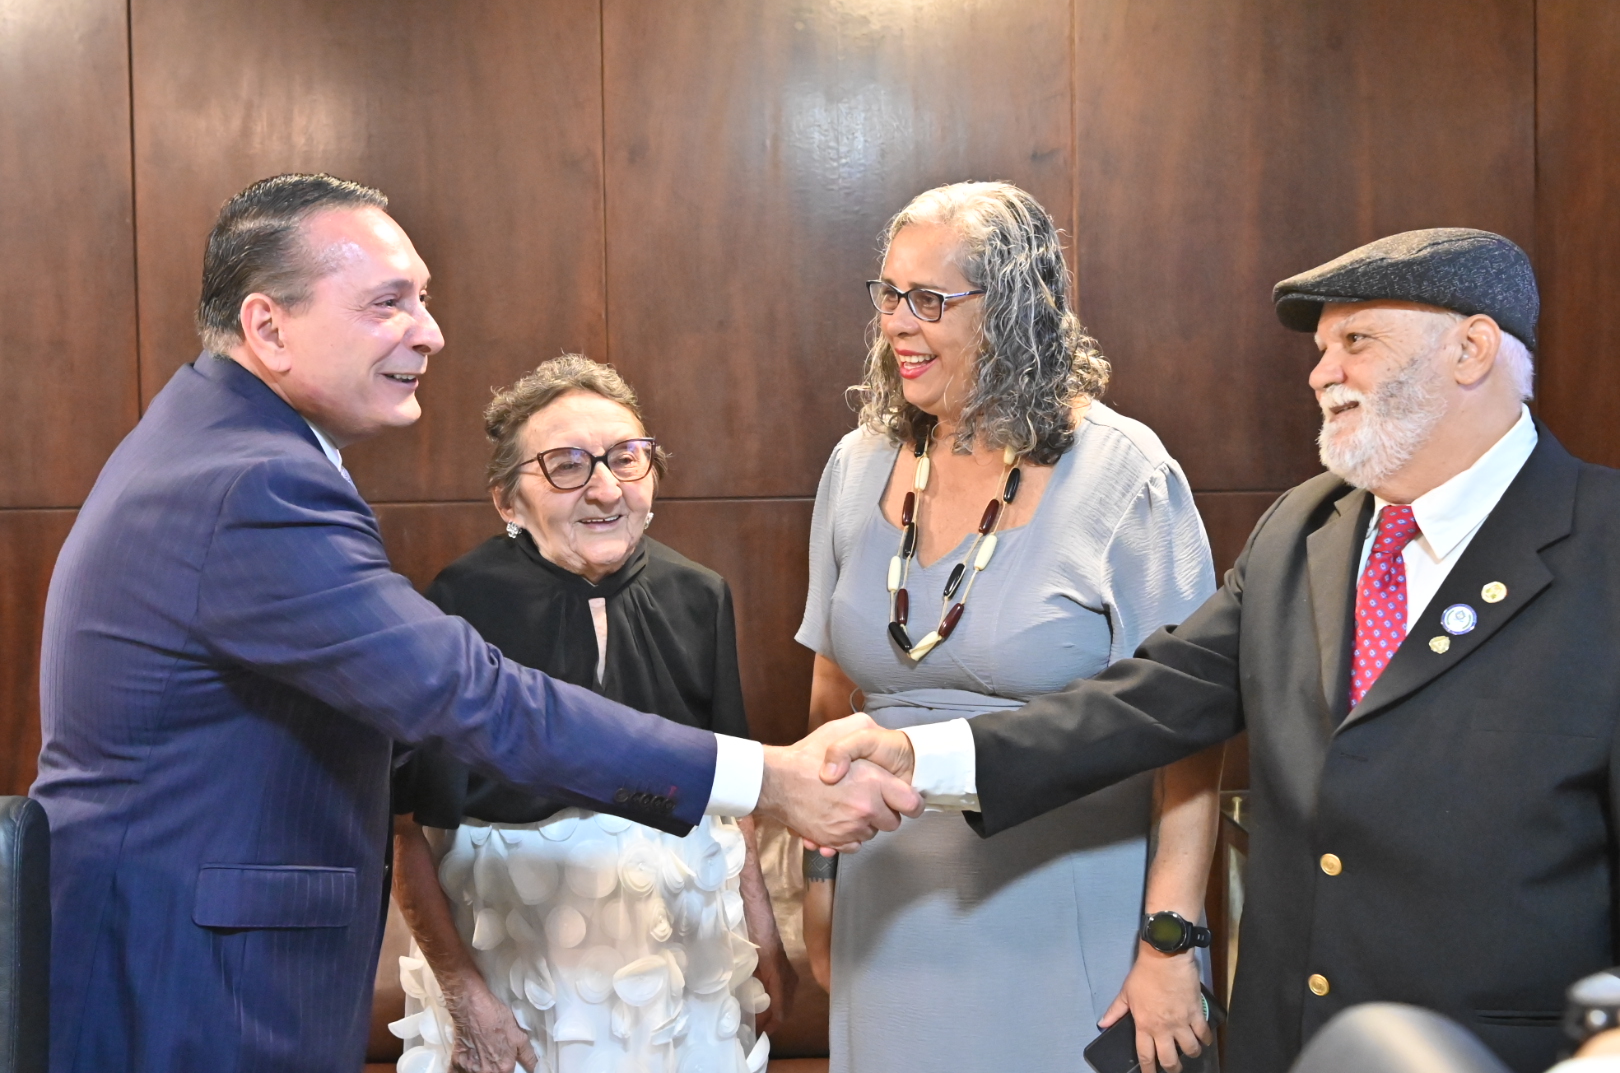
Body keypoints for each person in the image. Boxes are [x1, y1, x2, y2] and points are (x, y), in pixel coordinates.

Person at [29, 173, 911, 1073]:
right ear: (269, 327)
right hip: (184, 977)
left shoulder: (211, 443)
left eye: (423, 298)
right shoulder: (255, 481)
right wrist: (766, 777)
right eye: (388, 302)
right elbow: (473, 699)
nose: (430, 332)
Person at [824, 228, 1619, 1073]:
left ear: (1472, 350)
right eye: (1320, 350)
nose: (1322, 374)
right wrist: (920, 757)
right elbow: (1149, 703)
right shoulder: (1304, 528)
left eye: (1356, 342)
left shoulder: (1602, 550)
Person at [796, 181, 1225, 1073]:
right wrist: (820, 884)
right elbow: (831, 699)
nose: (896, 324)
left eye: (929, 300)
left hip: (1067, 916)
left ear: (1014, 309)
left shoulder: (1127, 474)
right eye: (888, 294)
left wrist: (1171, 939)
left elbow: (1192, 737)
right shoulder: (857, 464)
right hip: (890, 913)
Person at [390, 355, 796, 1073]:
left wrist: (763, 935)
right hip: (514, 952)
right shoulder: (457, 605)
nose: (606, 489)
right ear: (507, 501)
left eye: (626, 458)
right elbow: (403, 826)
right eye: (567, 465)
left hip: (680, 955)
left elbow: (732, 795)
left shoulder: (700, 595)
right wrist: (462, 992)